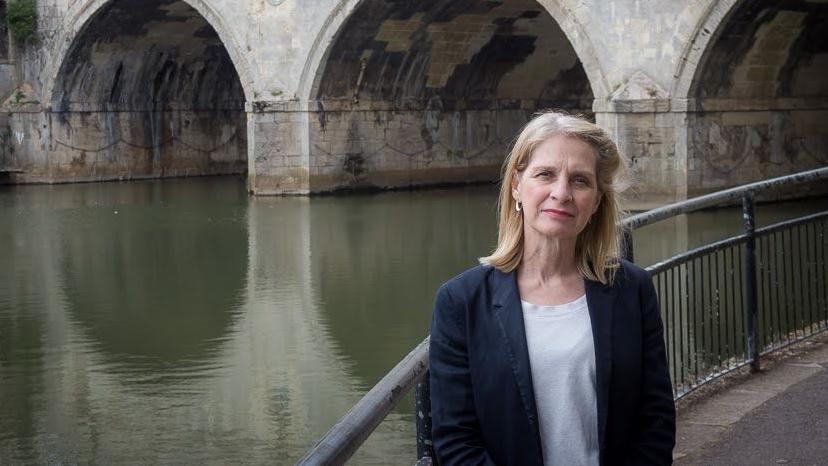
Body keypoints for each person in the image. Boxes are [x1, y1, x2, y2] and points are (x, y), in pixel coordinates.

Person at [428, 111, 676, 466]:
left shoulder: (631, 289)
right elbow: (455, 441)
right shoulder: (462, 301)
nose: (561, 193)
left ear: (597, 201)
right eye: (545, 174)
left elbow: (655, 421)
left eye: (580, 181)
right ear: (517, 185)